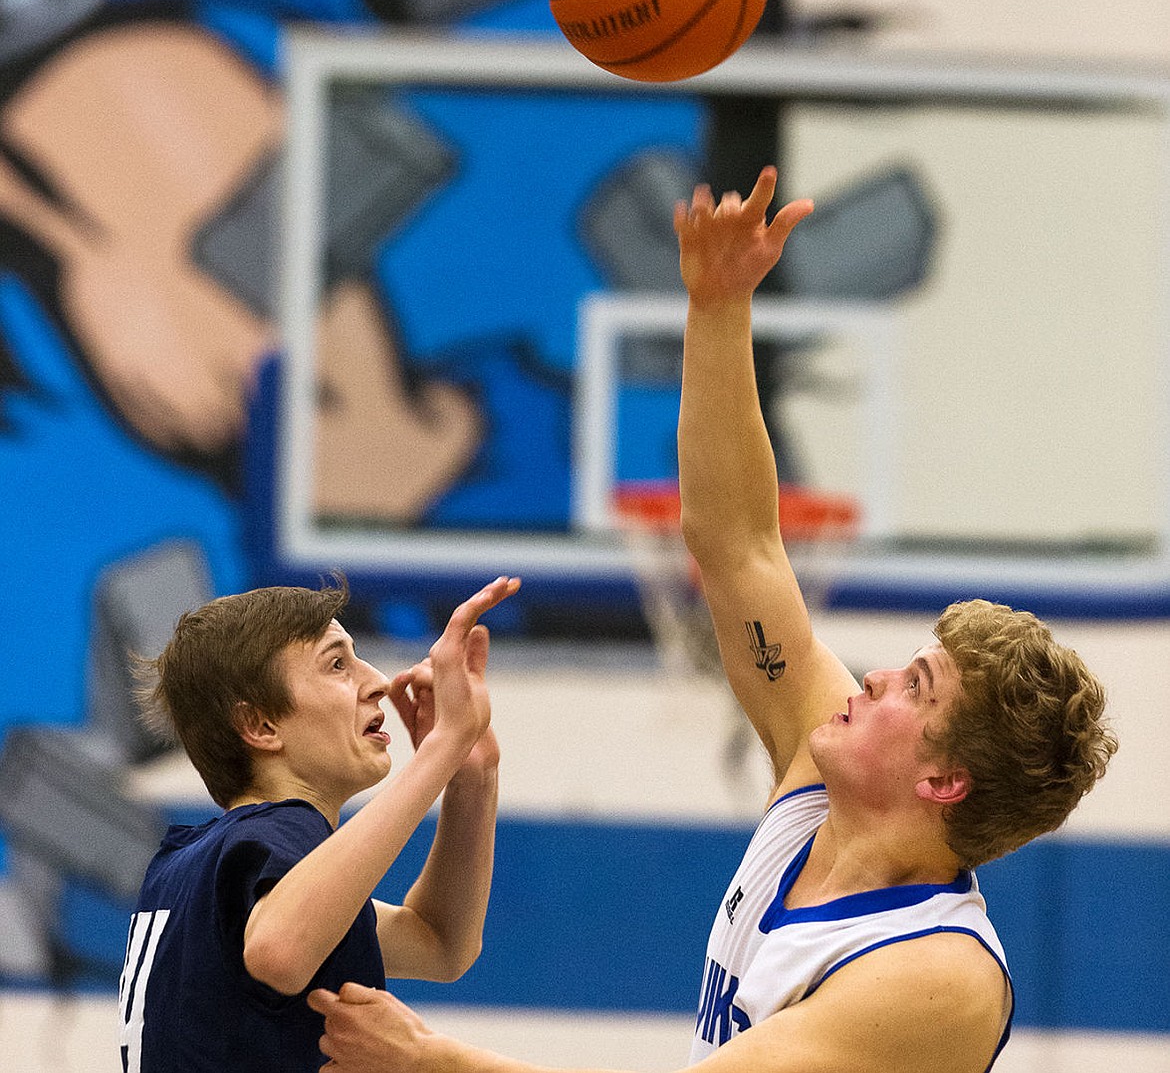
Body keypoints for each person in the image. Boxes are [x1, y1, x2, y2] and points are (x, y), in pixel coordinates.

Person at [307, 166, 1118, 1073]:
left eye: (915, 688)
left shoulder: (937, 974)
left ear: (945, 782)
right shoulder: (818, 774)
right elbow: (737, 543)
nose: (878, 676)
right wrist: (721, 309)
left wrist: (429, 1061)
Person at [118, 570, 520, 1071]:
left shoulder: (188, 865)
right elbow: (278, 954)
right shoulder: (281, 829)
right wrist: (438, 752)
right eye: (336, 664)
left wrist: (471, 777)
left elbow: (440, 943)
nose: (376, 682)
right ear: (261, 725)